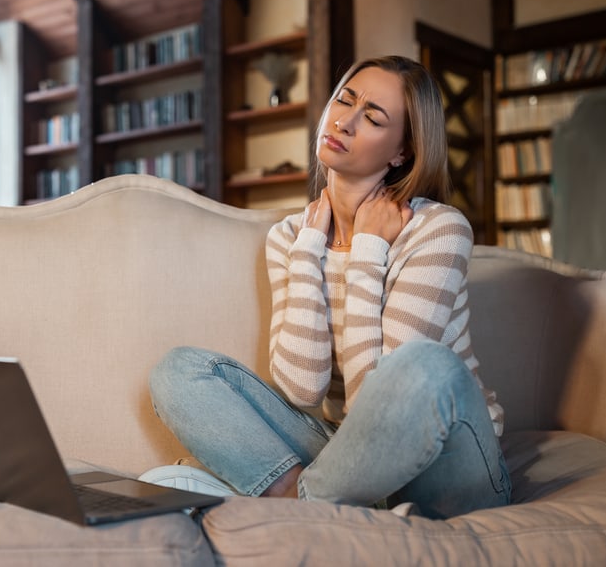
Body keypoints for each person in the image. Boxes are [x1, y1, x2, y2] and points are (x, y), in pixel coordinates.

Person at [141, 55, 511, 519]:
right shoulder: (293, 238)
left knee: (425, 367)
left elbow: (372, 397)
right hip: (345, 454)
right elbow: (301, 387)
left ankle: (300, 507)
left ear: (402, 152)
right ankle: (326, 502)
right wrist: (310, 248)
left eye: (373, 117)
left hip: (447, 465)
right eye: (344, 100)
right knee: (179, 372)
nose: (345, 121)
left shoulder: (438, 229)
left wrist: (368, 251)